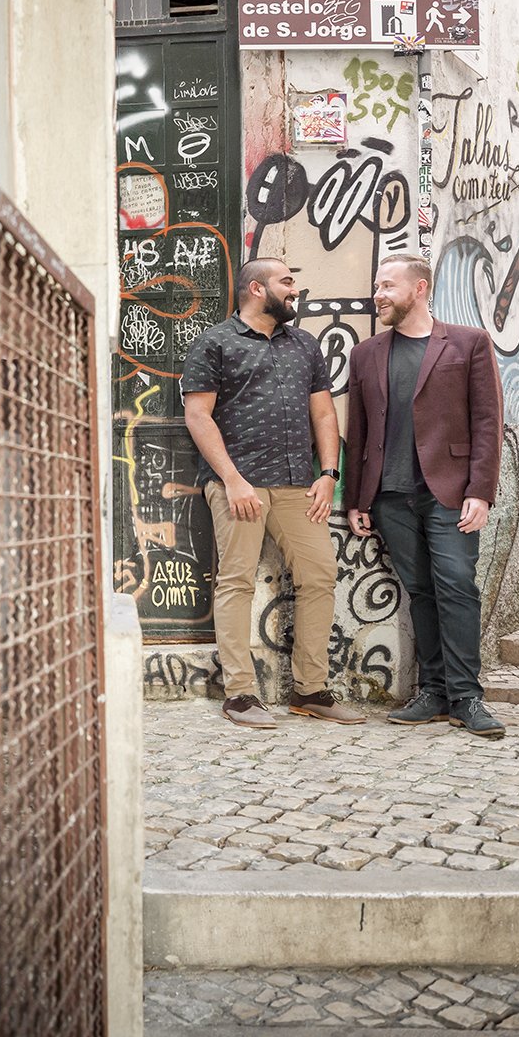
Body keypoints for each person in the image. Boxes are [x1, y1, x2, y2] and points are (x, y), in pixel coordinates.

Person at [181, 257, 363, 728]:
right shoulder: (215, 342)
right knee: (237, 582)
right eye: (287, 281)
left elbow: (323, 415)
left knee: (320, 575)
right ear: (257, 289)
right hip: (237, 485)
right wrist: (232, 480)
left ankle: (311, 691)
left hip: (298, 484)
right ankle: (240, 694)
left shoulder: (304, 344)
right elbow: (198, 416)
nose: (295, 289)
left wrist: (328, 473)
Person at [345, 254, 506, 738]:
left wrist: (482, 491)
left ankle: (467, 696)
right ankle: (434, 691)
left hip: (450, 491)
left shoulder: (468, 343)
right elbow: (359, 426)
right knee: (422, 593)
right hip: (390, 495)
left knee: (457, 585)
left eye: (388, 286)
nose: (379, 294)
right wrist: (356, 499)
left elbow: (487, 421)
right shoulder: (367, 353)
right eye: (377, 285)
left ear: (419, 288)